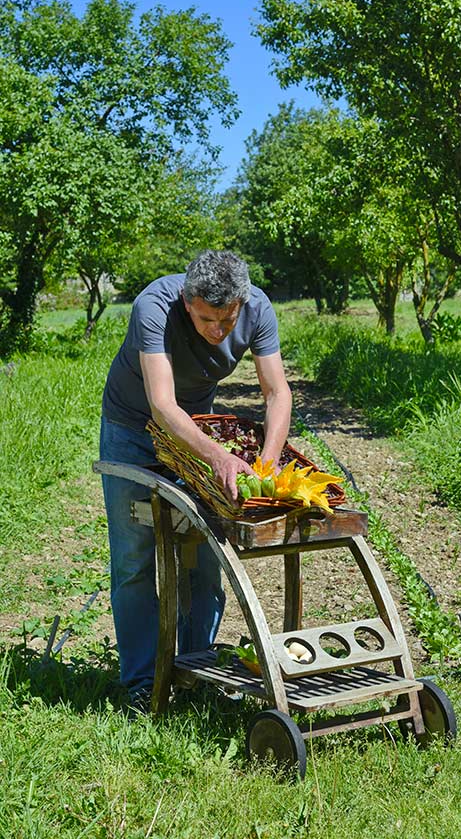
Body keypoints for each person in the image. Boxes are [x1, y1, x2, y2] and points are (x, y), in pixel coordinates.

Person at [99, 249, 292, 706]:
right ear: (188, 302)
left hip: (197, 427)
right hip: (133, 428)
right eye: (207, 320)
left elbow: (277, 390)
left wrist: (266, 460)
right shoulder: (154, 306)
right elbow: (163, 405)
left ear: (241, 304)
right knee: (134, 559)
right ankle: (143, 684)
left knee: (205, 552)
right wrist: (219, 458)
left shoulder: (258, 308)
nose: (218, 332)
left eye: (227, 321)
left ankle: (196, 669)